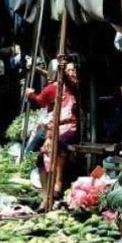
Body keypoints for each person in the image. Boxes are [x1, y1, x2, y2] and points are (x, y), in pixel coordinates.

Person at [40, 60, 81, 199]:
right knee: (43, 153)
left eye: (73, 70)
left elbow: (69, 82)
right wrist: (48, 136)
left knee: (58, 145)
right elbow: (50, 115)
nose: (71, 73)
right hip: (55, 127)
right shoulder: (57, 89)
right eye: (68, 70)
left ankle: (58, 183)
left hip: (69, 127)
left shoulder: (73, 87)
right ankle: (46, 193)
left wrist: (62, 70)